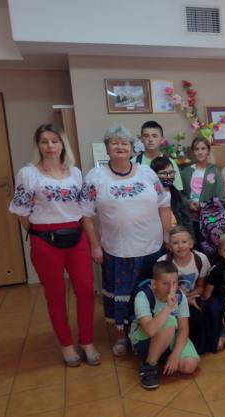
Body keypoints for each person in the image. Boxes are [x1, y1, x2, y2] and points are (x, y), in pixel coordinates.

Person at [9, 124, 100, 367]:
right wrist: (39, 232)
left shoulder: (75, 172)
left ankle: (87, 341)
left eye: (54, 141)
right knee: (55, 294)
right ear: (37, 145)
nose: (50, 146)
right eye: (44, 141)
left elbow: (83, 208)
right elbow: (20, 212)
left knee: (85, 290)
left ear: (62, 144)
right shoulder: (28, 173)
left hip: (76, 237)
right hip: (44, 241)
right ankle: (66, 345)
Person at [80, 123, 172, 357]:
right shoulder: (95, 177)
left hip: (151, 248)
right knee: (121, 297)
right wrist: (95, 246)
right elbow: (86, 215)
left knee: (152, 294)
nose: (120, 147)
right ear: (107, 148)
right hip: (117, 251)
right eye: (115, 143)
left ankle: (151, 333)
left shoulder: (147, 173)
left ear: (132, 148)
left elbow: (164, 204)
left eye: (125, 143)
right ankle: (122, 337)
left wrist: (166, 234)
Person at [129, 261, 199, 390]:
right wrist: (168, 307)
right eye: (165, 283)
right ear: (154, 283)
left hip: (170, 336)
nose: (171, 289)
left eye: (175, 283)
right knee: (170, 321)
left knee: (189, 365)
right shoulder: (143, 296)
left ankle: (164, 356)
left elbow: (183, 328)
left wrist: (175, 355)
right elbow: (150, 330)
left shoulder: (181, 296)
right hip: (145, 340)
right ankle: (149, 367)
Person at [158, 226, 212, 354]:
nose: (180, 246)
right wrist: (184, 300)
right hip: (169, 300)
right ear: (169, 246)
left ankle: (198, 346)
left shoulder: (201, 259)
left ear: (191, 243)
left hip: (192, 296)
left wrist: (189, 298)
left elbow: (201, 286)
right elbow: (161, 293)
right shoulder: (163, 262)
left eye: (184, 242)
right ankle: (173, 346)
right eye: (175, 243)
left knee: (201, 310)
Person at [180, 136, 225, 246]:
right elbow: (180, 195)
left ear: (208, 151)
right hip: (190, 219)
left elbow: (221, 199)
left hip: (209, 220)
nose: (200, 152)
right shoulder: (186, 172)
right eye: (197, 149)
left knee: (209, 248)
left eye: (203, 148)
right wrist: (189, 203)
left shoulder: (215, 172)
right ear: (193, 151)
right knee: (192, 246)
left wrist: (202, 206)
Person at [134, 120, 183, 190]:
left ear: (162, 139)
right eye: (146, 136)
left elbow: (177, 192)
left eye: (154, 136)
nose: (150, 139)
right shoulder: (133, 163)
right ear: (141, 139)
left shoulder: (171, 163)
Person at [150, 156, 193, 234]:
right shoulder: (150, 196)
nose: (169, 176)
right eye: (164, 173)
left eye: (171, 172)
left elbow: (186, 220)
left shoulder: (175, 192)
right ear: (154, 175)